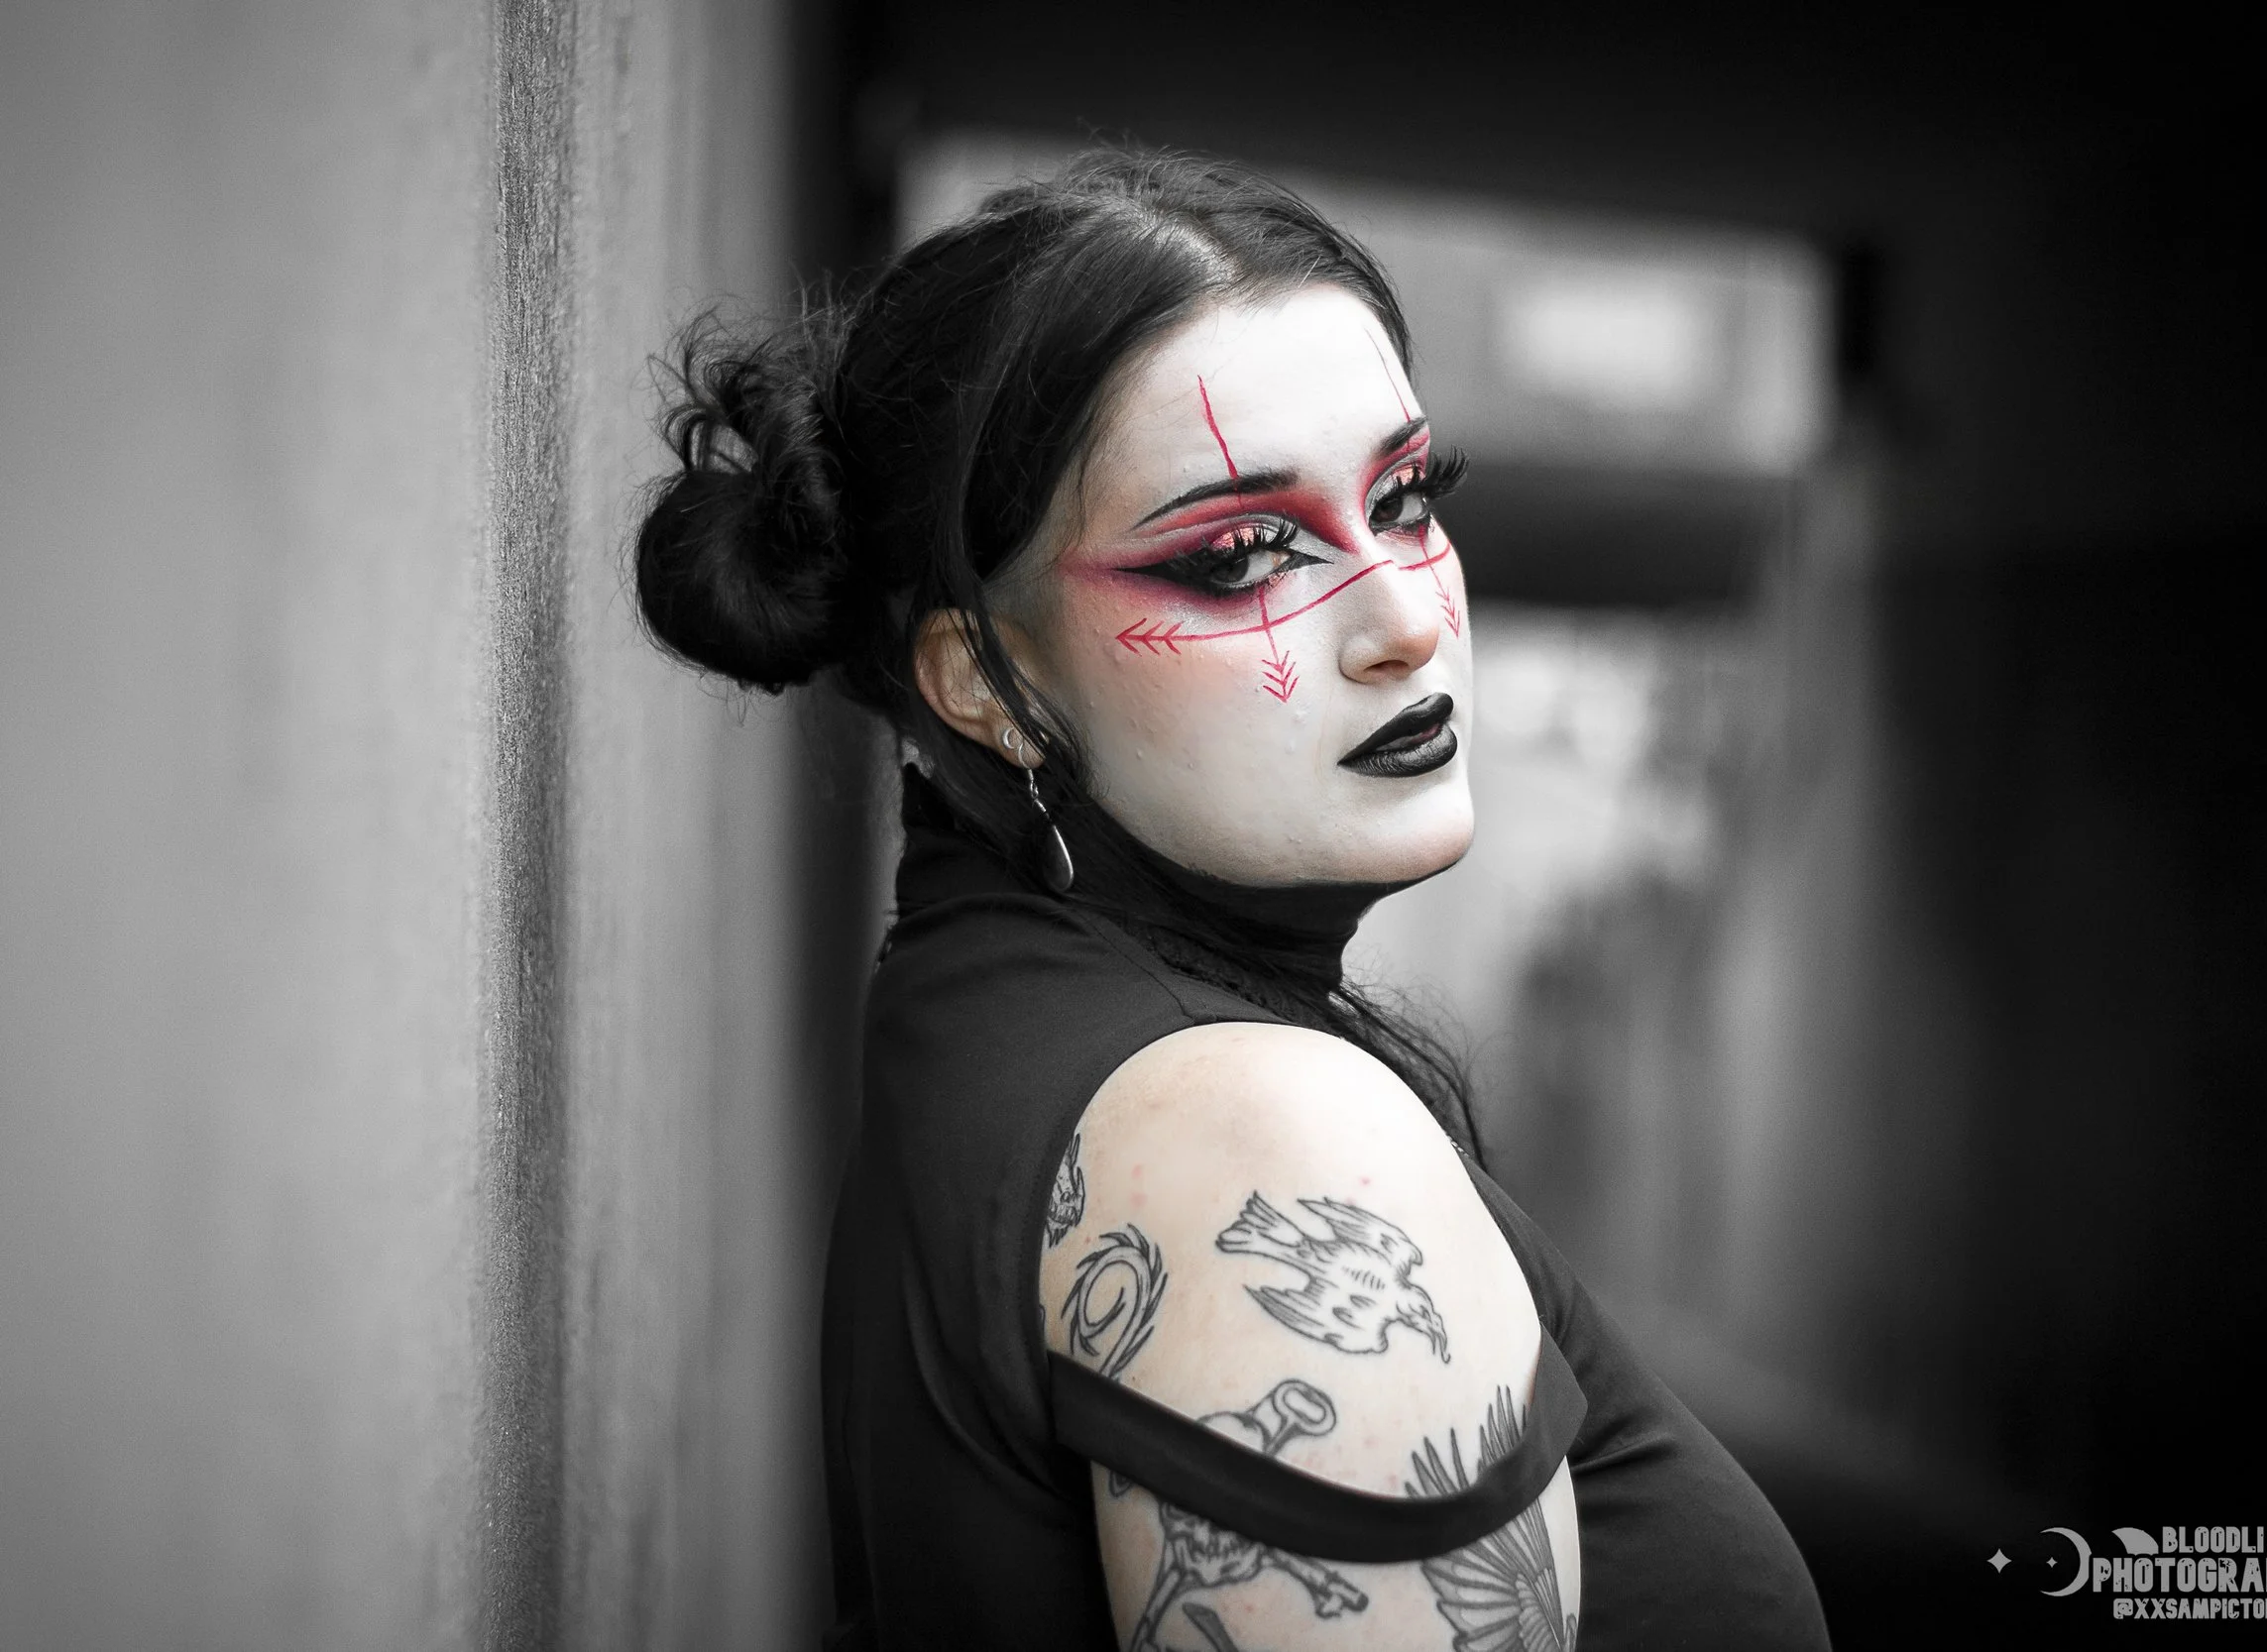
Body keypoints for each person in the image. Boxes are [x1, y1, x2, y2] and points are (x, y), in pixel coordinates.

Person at [632, 149, 1827, 1652]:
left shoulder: (976, 987)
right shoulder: (1263, 1153)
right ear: (986, 683)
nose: (1404, 620)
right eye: (1243, 554)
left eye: (1406, 496)